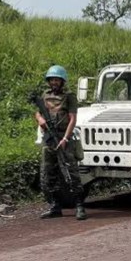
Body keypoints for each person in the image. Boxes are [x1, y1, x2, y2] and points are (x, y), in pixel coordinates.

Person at [36, 65, 87, 220]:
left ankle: (79, 206)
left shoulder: (69, 96)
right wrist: (40, 120)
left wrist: (65, 138)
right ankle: (55, 206)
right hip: (49, 139)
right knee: (48, 174)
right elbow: (38, 112)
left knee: (71, 173)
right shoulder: (45, 95)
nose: (54, 83)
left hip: (64, 138)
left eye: (57, 80)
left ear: (62, 81)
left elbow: (73, 119)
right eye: (52, 80)